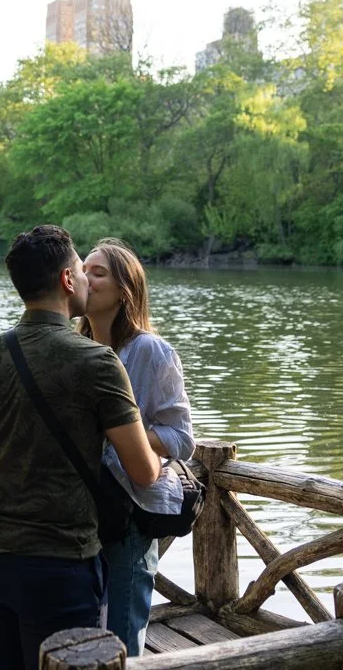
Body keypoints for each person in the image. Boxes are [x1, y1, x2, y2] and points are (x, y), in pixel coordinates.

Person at [0, 225, 160, 670]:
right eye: (82, 270)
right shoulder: (97, 362)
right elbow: (143, 471)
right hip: (58, 564)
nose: (85, 278)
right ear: (66, 281)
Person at [80, 238, 194, 656]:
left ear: (124, 290)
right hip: (81, 516)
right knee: (88, 637)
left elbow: (182, 439)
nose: (86, 278)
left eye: (99, 272)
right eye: (83, 269)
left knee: (122, 642)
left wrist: (121, 431)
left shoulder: (149, 350)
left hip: (128, 515)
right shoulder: (79, 349)